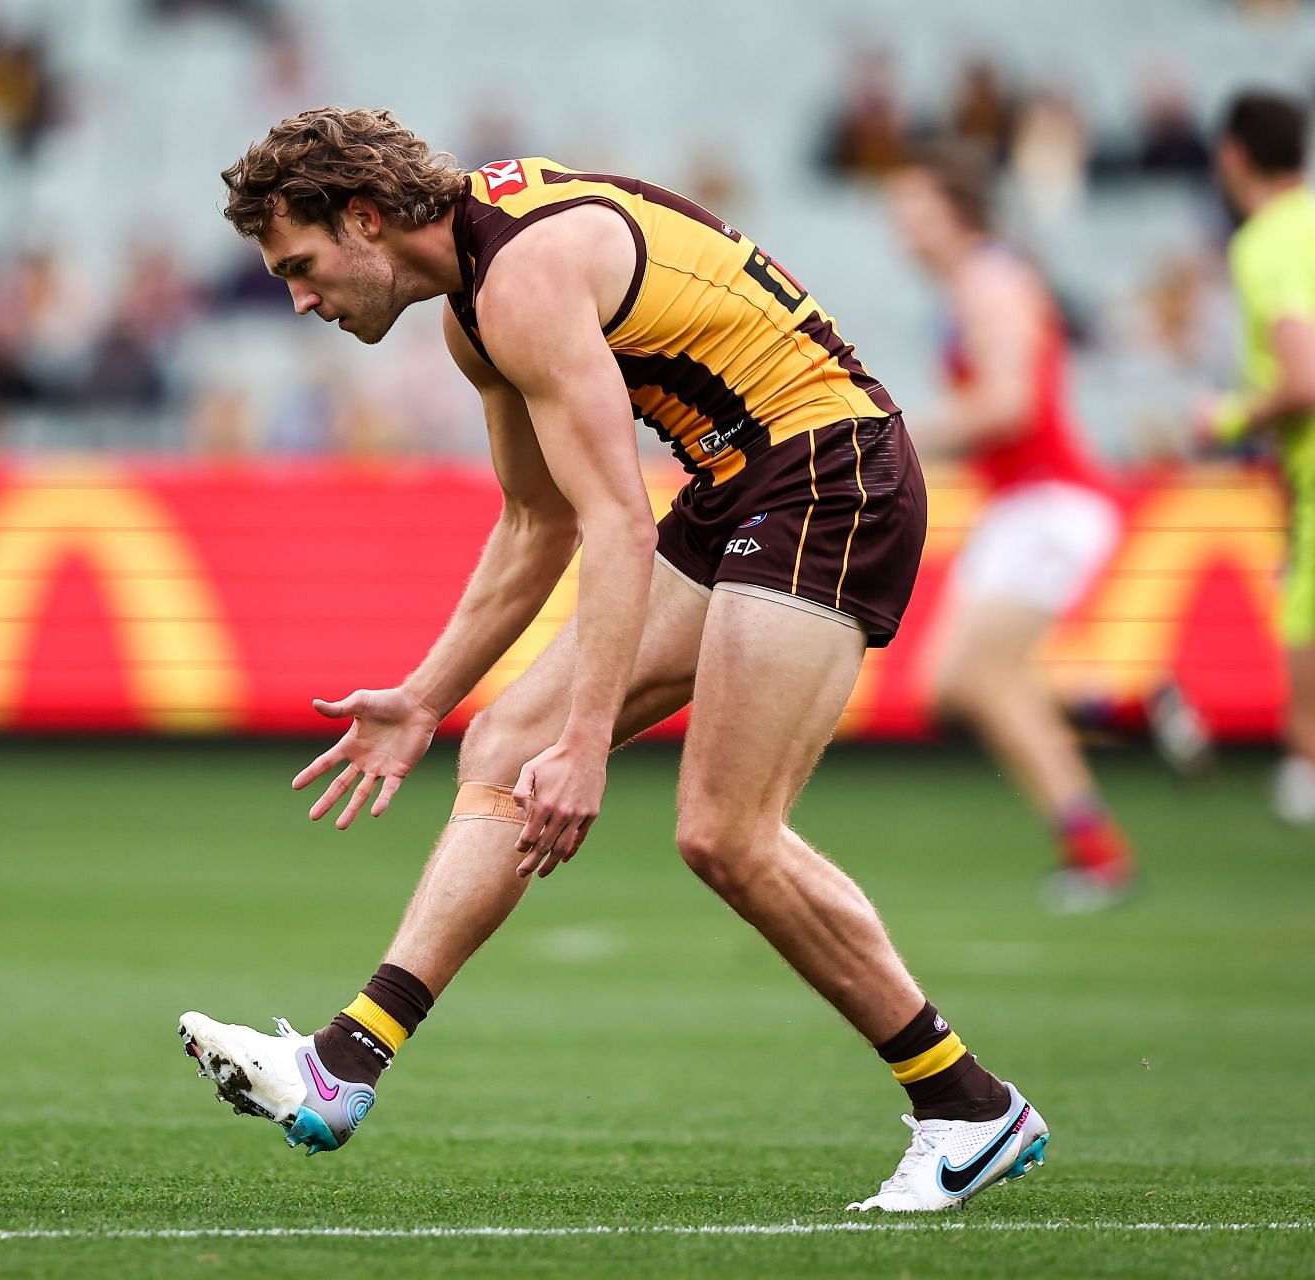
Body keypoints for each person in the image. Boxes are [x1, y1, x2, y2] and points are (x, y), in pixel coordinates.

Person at [177, 108, 1050, 1212]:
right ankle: (346, 1064)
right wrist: (426, 697)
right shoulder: (474, 310)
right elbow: (534, 525)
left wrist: (588, 743)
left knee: (723, 831)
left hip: (833, 473)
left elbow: (617, 523)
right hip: (745, 480)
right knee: (504, 738)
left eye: (300, 266)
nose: (300, 298)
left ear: (364, 218)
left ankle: (967, 1105)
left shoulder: (522, 280)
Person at [888, 145, 1148, 911]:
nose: (900, 224)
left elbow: (1010, 406)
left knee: (972, 678)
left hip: (1051, 501)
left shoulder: (988, 279)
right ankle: (1122, 713)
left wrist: (891, 434)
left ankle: (1101, 843)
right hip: (1025, 504)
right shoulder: (974, 280)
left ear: (954, 207)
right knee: (953, 683)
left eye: (913, 206)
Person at [1196, 90, 1315, 825]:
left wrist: (1227, 416)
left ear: (1233, 155)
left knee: (1306, 726)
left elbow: (1304, 379)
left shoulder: (1265, 241)